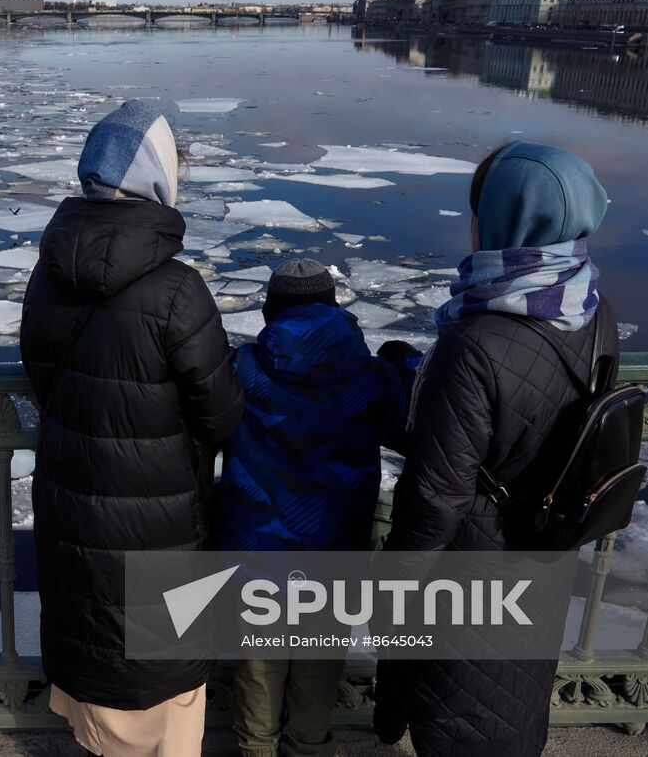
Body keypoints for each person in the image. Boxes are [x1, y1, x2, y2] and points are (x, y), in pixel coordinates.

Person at [373, 141, 618, 756]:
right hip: (544, 546)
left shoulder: (476, 339)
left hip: (475, 565)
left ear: (508, 217)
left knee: (461, 716)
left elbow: (436, 497)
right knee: (513, 701)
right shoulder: (590, 304)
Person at [20, 99, 245, 757]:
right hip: (163, 525)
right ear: (158, 176)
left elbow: (44, 380)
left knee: (97, 666)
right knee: (168, 693)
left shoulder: (46, 275)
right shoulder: (177, 290)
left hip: (73, 508)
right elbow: (222, 414)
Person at [217, 258, 419, 757]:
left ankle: (257, 749)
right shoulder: (368, 377)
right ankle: (307, 747)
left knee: (260, 662)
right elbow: (411, 425)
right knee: (318, 656)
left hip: (256, 543)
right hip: (334, 542)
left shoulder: (241, 369)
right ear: (332, 307)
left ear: (271, 310)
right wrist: (405, 363)